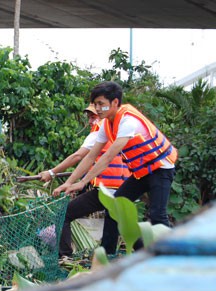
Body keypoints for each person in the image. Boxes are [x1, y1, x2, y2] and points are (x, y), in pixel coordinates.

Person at [57, 81, 177, 254]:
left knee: (158, 215)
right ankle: (107, 255)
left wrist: (82, 183)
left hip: (161, 168)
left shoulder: (128, 121)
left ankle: (179, 253)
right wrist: (71, 183)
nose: (97, 109)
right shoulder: (107, 124)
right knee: (115, 207)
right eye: (95, 104)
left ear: (114, 102)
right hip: (142, 172)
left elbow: (106, 158)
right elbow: (91, 156)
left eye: (101, 104)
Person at [39, 104, 130, 257]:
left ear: (102, 114)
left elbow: (78, 156)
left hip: (107, 190)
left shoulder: (99, 132)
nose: (90, 121)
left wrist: (51, 172)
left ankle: (65, 256)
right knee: (117, 225)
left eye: (93, 116)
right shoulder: (115, 130)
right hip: (120, 188)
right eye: (88, 117)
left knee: (64, 214)